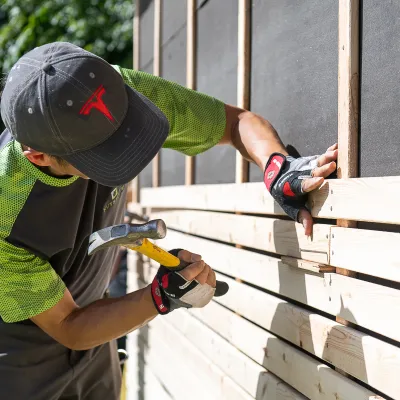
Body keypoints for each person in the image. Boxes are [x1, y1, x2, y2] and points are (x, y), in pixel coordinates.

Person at [0, 42, 338, 399]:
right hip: (26, 358)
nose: (126, 154)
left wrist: (276, 166)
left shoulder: (119, 95)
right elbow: (69, 325)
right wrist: (159, 296)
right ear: (38, 156)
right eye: (104, 156)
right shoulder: (7, 218)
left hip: (96, 330)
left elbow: (235, 122)